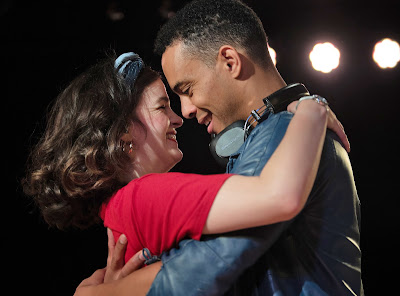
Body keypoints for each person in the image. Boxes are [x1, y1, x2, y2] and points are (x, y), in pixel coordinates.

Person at [77, 0, 362, 295]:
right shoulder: (294, 128)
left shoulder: (284, 132)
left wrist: (105, 293)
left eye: (187, 90)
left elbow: (210, 261)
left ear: (230, 61)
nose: (184, 111)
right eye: (167, 104)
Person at [23, 50, 340, 294]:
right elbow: (278, 196)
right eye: (162, 107)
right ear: (123, 134)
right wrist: (311, 108)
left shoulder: (118, 212)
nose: (179, 118)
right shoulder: (144, 195)